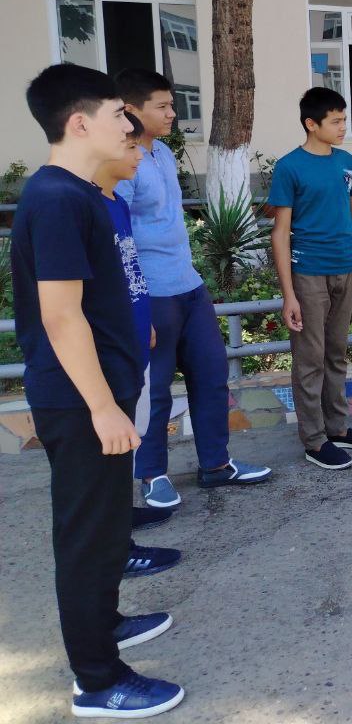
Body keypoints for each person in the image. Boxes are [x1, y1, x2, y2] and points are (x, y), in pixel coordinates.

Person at [13, 64, 184, 718]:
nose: (131, 128)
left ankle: (104, 623)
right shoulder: (55, 199)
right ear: (79, 122)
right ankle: (98, 680)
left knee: (107, 526)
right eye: (121, 117)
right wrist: (105, 405)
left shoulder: (84, 195)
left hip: (96, 395)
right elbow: (60, 315)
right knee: (85, 539)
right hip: (80, 402)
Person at [117, 69, 271, 507]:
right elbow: (119, 238)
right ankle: (151, 474)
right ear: (131, 110)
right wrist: (136, 305)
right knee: (156, 388)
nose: (173, 113)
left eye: (171, 104)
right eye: (162, 106)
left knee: (211, 376)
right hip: (152, 293)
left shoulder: (162, 154)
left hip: (189, 286)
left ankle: (216, 465)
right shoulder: (122, 163)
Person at [269, 87, 352, 471]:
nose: (342, 127)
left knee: (337, 353)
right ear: (311, 124)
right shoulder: (290, 167)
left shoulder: (346, 162)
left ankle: (337, 427)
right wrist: (289, 295)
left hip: (345, 270)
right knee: (309, 359)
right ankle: (314, 440)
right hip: (307, 273)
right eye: (335, 121)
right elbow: (280, 232)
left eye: (343, 119)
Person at [94, 112, 183, 578]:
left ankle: (122, 523)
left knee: (138, 420)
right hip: (105, 352)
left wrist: (142, 317)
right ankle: (115, 547)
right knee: (108, 447)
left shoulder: (112, 203)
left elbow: (129, 274)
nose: (139, 156)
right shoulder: (77, 203)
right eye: (131, 147)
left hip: (134, 331)